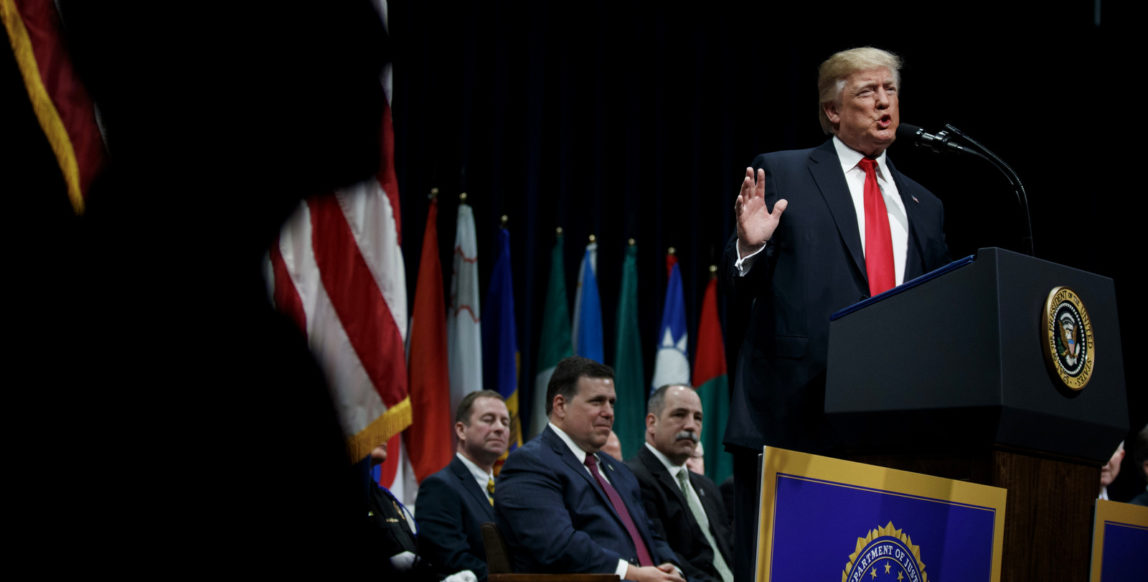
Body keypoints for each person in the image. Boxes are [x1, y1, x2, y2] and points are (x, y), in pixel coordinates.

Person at [722, 46, 950, 580]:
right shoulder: (785, 173)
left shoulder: (924, 204)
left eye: (890, 91)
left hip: (891, 426)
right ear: (832, 111)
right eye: (868, 92)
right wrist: (749, 248)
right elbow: (736, 292)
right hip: (793, 419)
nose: (884, 103)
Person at [495, 357, 685, 582]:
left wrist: (671, 568)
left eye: (611, 403)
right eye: (597, 402)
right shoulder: (530, 464)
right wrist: (632, 574)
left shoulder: (619, 470)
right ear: (560, 406)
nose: (609, 412)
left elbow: (650, 534)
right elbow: (557, 546)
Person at [627, 385, 734, 582]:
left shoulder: (707, 486)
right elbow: (662, 556)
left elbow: (728, 552)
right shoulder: (633, 478)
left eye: (698, 418)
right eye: (679, 415)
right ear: (651, 423)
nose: (691, 426)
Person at [416, 391, 510, 581]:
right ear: (461, 430)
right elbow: (452, 560)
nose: (499, 428)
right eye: (488, 419)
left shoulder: (507, 490)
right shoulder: (439, 488)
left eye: (505, 422)